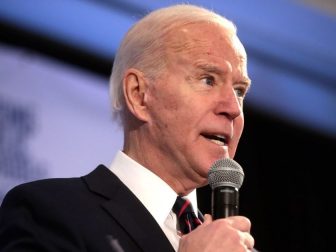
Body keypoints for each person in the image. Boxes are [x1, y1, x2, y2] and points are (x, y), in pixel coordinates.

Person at [0, 4, 255, 252]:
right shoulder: (49, 212)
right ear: (139, 94)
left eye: (239, 91)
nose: (233, 108)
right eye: (208, 79)